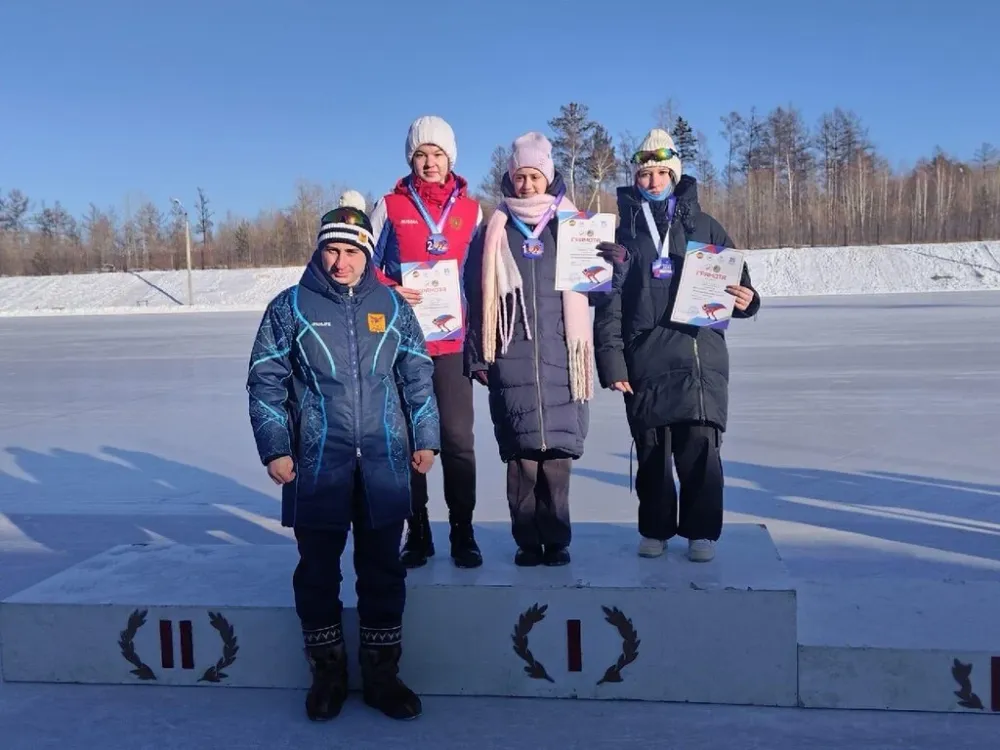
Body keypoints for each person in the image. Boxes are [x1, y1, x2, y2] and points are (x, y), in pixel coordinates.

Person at [246, 193, 440, 722]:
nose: (341, 262)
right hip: (316, 462)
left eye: (352, 252)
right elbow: (266, 380)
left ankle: (382, 676)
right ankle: (327, 675)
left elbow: (417, 375)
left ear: (367, 254)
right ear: (320, 251)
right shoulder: (289, 307)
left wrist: (425, 437)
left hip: (384, 459)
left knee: (383, 570)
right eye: (332, 250)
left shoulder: (393, 306)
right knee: (317, 571)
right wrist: (277, 448)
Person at [592, 128, 760, 563]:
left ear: (675, 173)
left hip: (698, 355)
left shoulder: (705, 226)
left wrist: (747, 300)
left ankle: (701, 531)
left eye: (661, 172)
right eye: (645, 174)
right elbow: (608, 305)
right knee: (653, 450)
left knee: (701, 449)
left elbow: (737, 285)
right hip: (645, 358)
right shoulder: (620, 231)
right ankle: (655, 528)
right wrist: (612, 363)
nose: (653, 181)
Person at [464, 132, 594, 567]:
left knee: (556, 459)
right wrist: (479, 355)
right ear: (510, 178)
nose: (527, 184)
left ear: (548, 177)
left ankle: (556, 540)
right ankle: (526, 541)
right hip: (511, 354)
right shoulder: (494, 230)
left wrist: (615, 263)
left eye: (535, 176)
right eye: (520, 176)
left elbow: (599, 291)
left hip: (561, 355)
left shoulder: (571, 225)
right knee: (522, 461)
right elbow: (474, 294)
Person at [368, 115, 484, 570]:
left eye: (437, 154)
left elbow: (482, 278)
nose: (430, 162)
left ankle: (463, 531)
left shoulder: (472, 211)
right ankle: (417, 531)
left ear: (450, 158)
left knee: (457, 439)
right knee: (408, 439)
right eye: (421, 154)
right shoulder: (390, 205)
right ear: (410, 160)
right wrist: (390, 289)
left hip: (453, 345)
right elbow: (365, 263)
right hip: (403, 343)